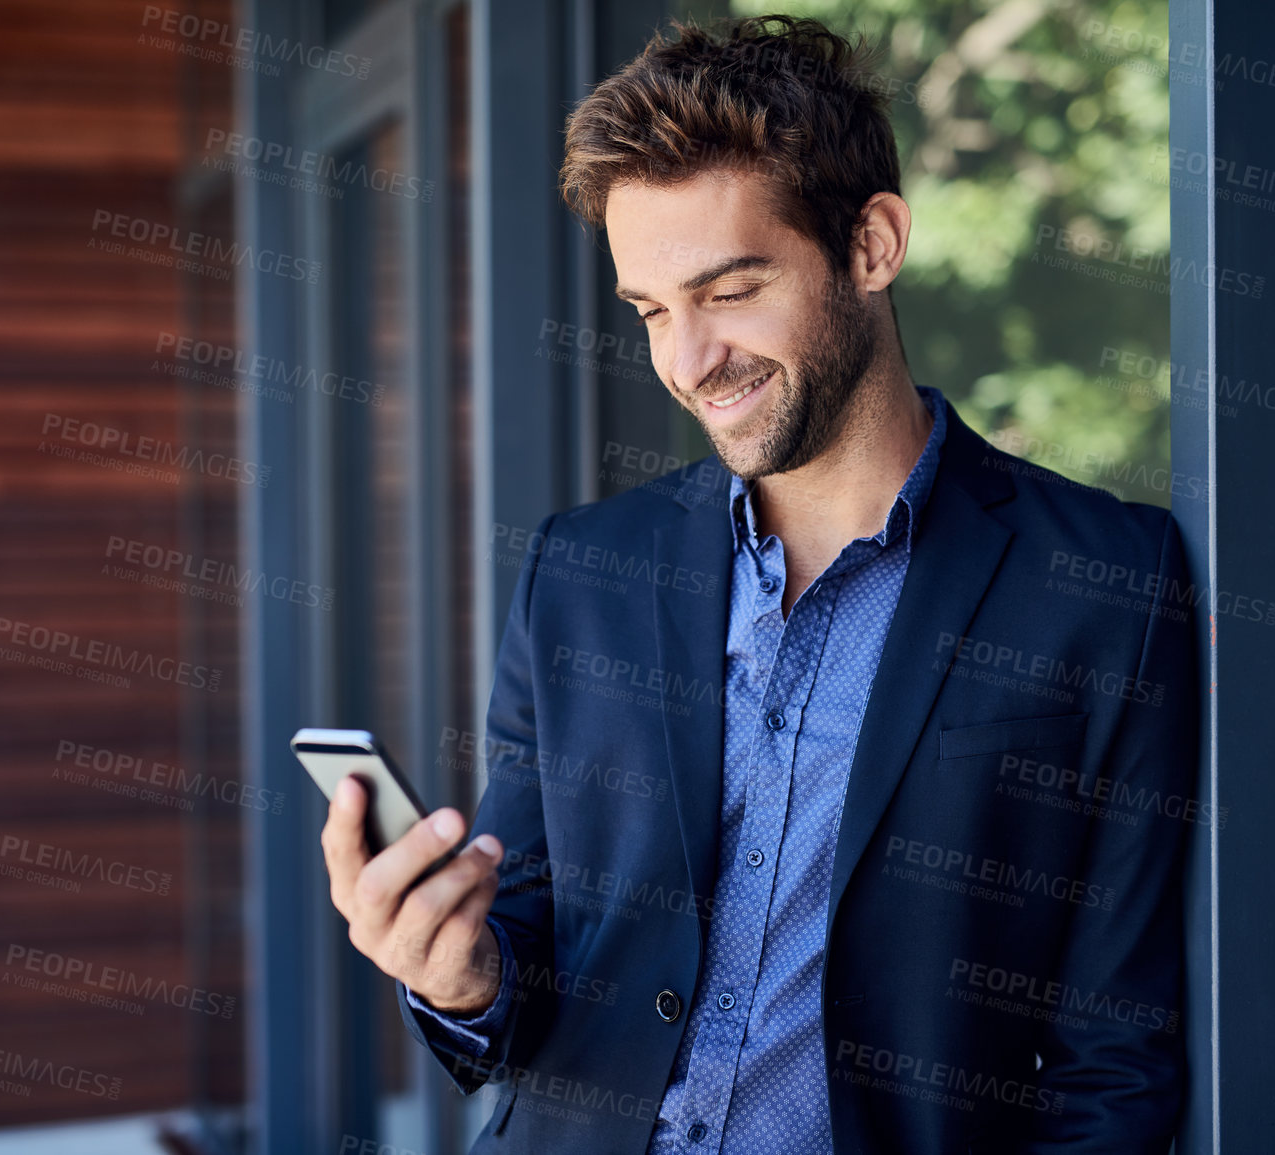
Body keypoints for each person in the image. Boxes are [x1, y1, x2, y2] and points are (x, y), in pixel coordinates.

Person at [322, 13, 1197, 1153]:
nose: (689, 360)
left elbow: (1113, 1067)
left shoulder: (1104, 581)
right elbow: (524, 962)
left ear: (873, 245)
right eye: (651, 311)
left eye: (729, 291)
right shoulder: (582, 572)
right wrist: (461, 975)